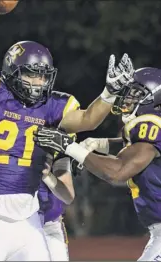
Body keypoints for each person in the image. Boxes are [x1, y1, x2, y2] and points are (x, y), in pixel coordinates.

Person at [0, 0, 135, 260]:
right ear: (13, 71)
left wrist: (108, 94)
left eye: (42, 76)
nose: (38, 82)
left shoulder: (52, 106)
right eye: (31, 74)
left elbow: (88, 120)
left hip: (28, 219)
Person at [34, 67, 161, 261]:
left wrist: (69, 146)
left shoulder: (150, 124)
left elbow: (118, 171)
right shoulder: (146, 137)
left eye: (135, 93)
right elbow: (132, 150)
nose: (126, 98)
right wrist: (96, 144)